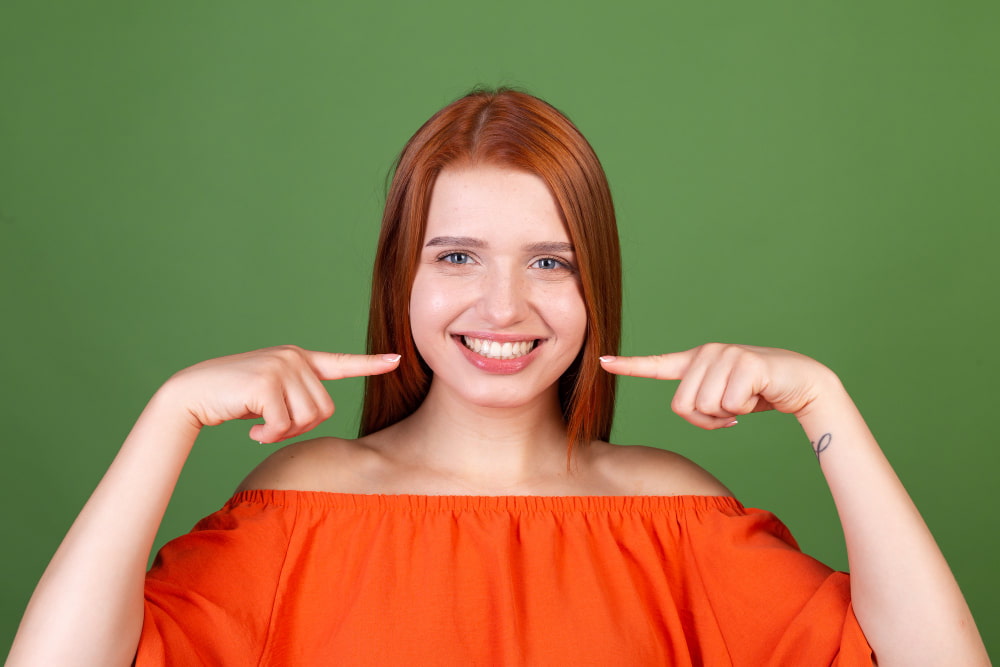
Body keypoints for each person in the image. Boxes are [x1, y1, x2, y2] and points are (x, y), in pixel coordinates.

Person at [8, 89, 988, 666]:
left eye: (550, 262)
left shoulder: (676, 515)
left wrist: (825, 400)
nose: (504, 308)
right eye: (458, 256)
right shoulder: (297, 506)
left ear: (593, 281)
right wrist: (168, 414)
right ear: (403, 274)